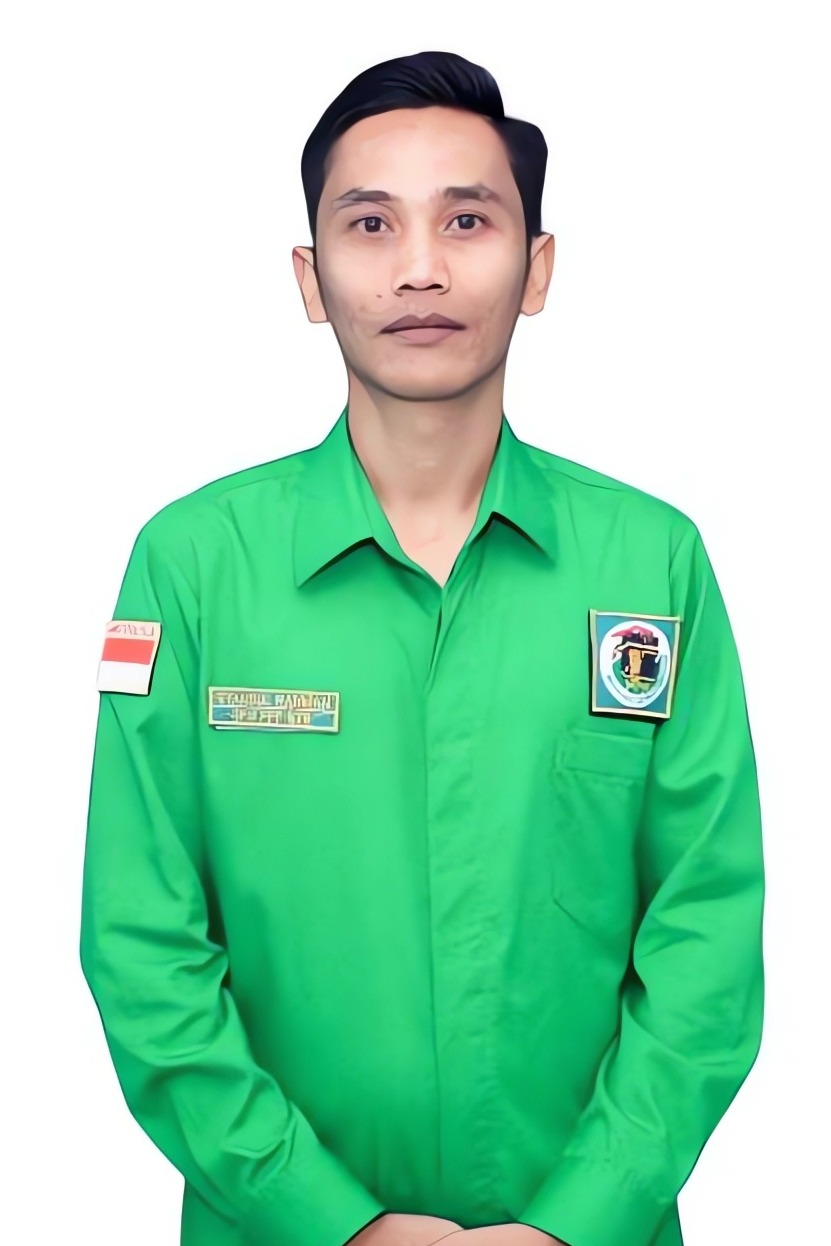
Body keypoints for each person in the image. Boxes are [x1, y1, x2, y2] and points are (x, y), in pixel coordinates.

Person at [79, 50, 765, 1246]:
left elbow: (707, 930)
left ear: (537, 266)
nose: (419, 269)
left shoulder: (651, 565)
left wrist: (578, 1221)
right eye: (370, 223)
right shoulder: (191, 567)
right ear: (310, 277)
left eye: (466, 219)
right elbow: (142, 940)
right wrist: (330, 1219)